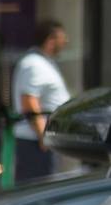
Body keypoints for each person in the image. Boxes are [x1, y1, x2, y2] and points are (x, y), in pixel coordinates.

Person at [13, 20, 73, 181]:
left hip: (44, 140)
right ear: (50, 40)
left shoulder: (45, 63)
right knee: (40, 190)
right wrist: (43, 137)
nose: (65, 42)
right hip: (35, 142)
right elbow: (29, 102)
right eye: (62, 38)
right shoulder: (33, 64)